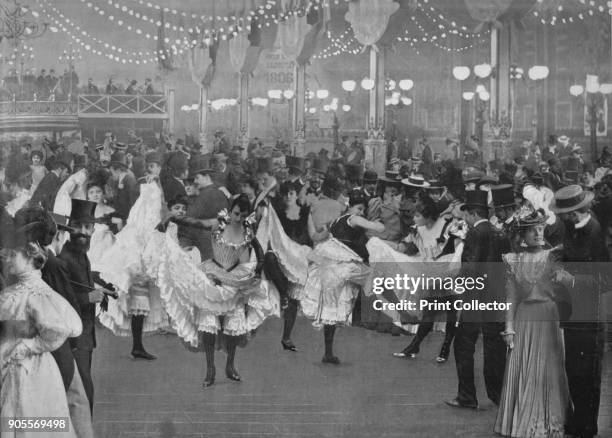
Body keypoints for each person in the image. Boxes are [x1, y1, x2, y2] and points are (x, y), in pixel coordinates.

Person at [150, 194, 279, 387]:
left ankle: (230, 365)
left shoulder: (247, 230)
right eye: (236, 213)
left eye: (243, 215)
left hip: (234, 279)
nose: (238, 218)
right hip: (212, 275)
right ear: (230, 211)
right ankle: (210, 369)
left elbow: (259, 255)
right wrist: (171, 217)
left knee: (233, 327)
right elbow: (193, 222)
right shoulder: (218, 225)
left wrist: (256, 274)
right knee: (209, 323)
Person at [494, 207, 571, 438]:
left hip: (549, 316)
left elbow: (567, 283)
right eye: (532, 230)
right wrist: (508, 328)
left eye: (541, 228)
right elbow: (511, 297)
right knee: (524, 368)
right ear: (522, 236)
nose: (539, 233)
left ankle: (548, 420)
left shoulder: (553, 255)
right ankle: (522, 421)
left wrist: (566, 279)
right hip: (525, 317)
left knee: (549, 368)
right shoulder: (512, 259)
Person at [0, 241, 82, 438]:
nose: (6, 259)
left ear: (29, 258)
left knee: (26, 417)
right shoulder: (15, 290)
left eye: (13, 255)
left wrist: (30, 346)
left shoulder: (37, 292)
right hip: (7, 355)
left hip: (26, 366)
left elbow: (59, 328)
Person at [550, 185, 609, 438]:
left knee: (588, 376)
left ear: (578, 211)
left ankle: (587, 428)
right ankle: (577, 422)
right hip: (572, 315)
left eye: (567, 214)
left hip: (590, 318)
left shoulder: (595, 233)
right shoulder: (570, 229)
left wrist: (570, 279)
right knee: (573, 372)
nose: (563, 218)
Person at [301, 189, 385, 364]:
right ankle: (373, 315)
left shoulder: (335, 221)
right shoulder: (352, 218)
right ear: (352, 206)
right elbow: (379, 228)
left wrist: (309, 218)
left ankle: (328, 352)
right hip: (344, 263)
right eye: (360, 208)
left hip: (331, 264)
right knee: (373, 278)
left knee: (332, 307)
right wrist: (376, 218)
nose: (361, 212)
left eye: (363, 210)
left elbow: (316, 236)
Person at [446, 189, 507, 410]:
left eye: (466, 215)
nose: (465, 220)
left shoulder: (474, 233)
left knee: (463, 345)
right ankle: (498, 395)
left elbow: (470, 267)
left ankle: (467, 396)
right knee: (493, 348)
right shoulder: (498, 231)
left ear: (472, 213)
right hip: (495, 297)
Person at [392, 197, 461, 362]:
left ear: (428, 216)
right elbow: (405, 245)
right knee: (434, 310)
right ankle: (421, 346)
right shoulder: (419, 230)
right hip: (432, 275)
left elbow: (460, 246)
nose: (414, 218)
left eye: (417, 215)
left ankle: (439, 347)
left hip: (450, 272)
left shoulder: (447, 225)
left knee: (449, 312)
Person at [60, 199, 112, 415]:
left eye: (87, 227)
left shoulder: (80, 253)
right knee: (82, 389)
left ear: (93, 229)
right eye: (78, 226)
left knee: (81, 385)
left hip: (85, 332)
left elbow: (78, 278)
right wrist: (88, 297)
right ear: (69, 226)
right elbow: (61, 297)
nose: (83, 231)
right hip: (75, 335)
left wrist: (99, 281)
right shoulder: (65, 257)